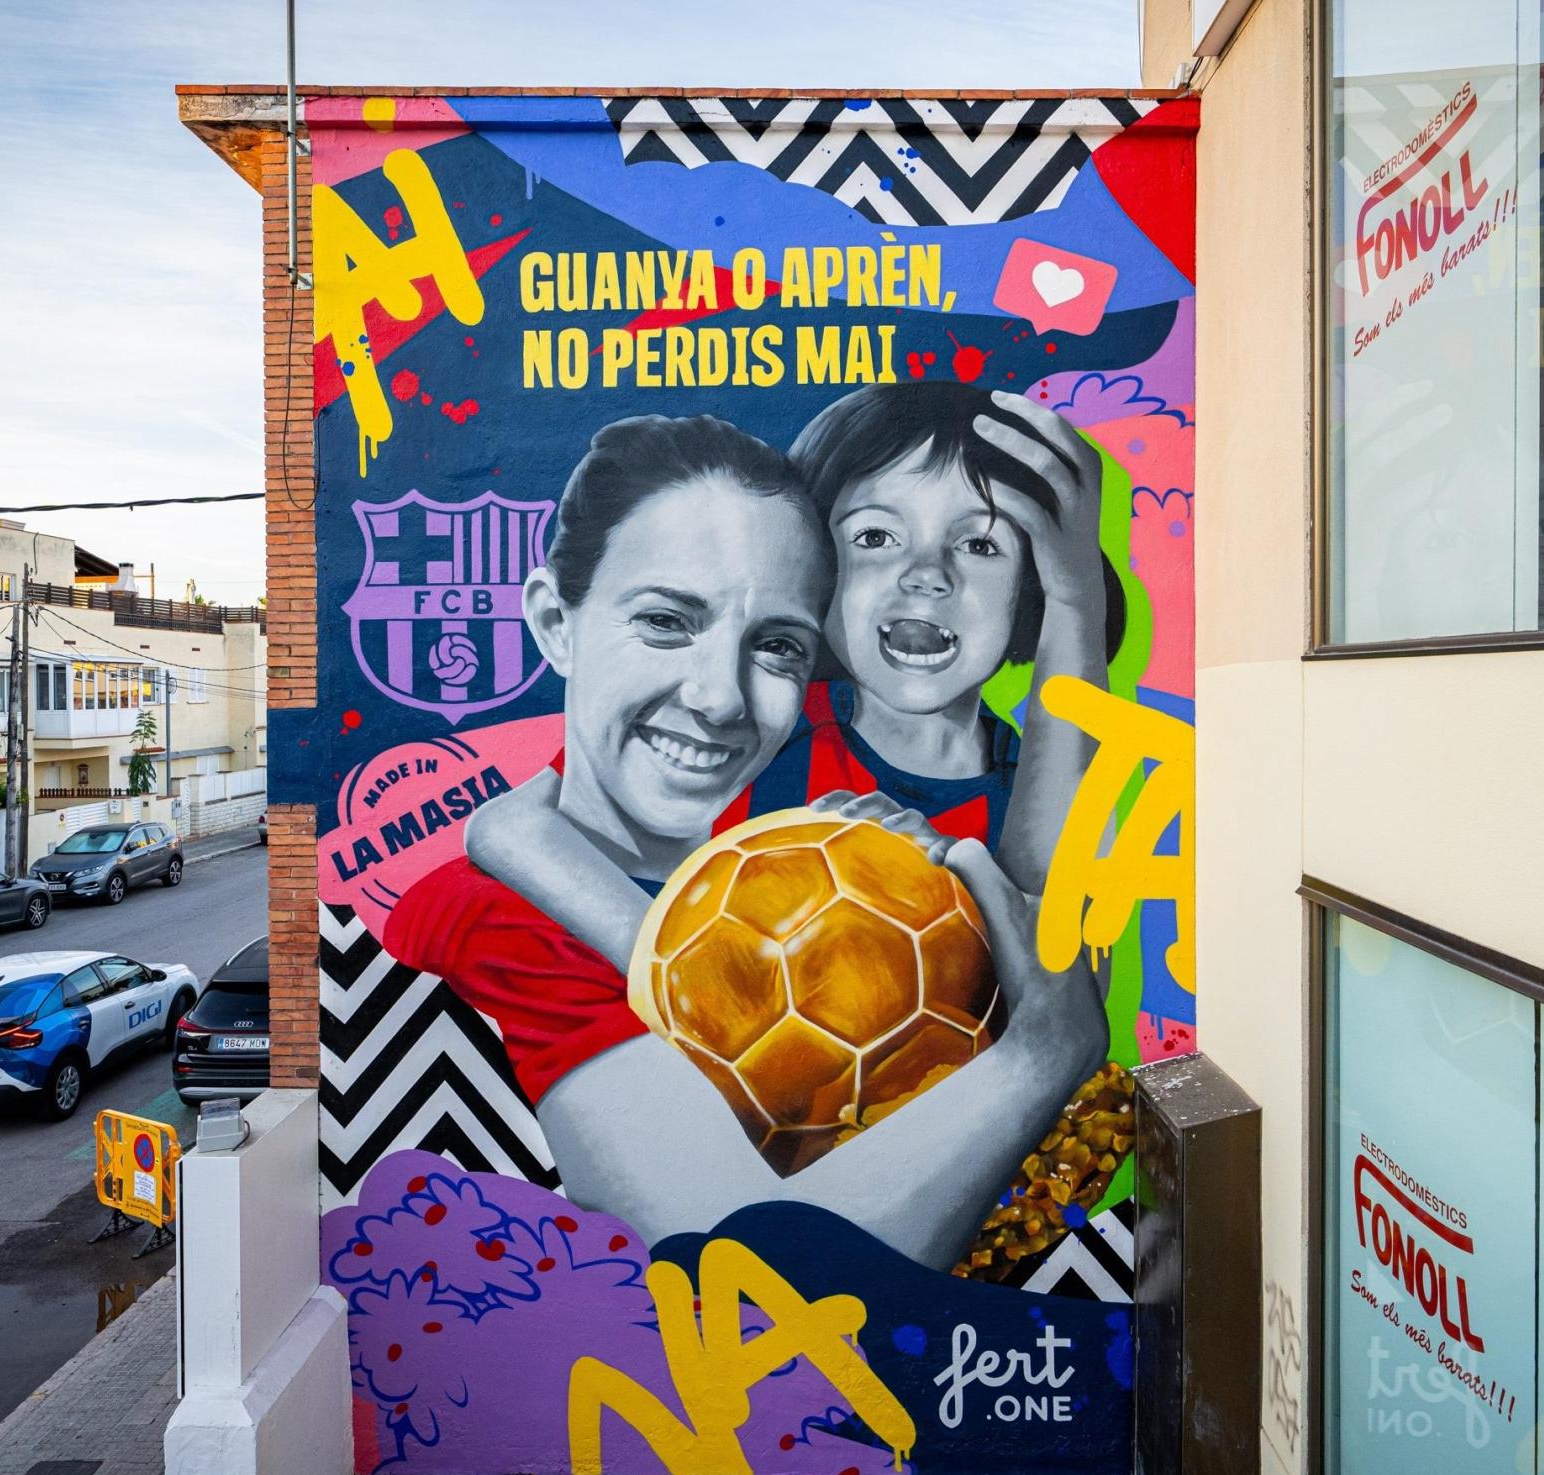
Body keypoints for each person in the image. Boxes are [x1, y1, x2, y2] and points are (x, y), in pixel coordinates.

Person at [384, 414, 1107, 1269]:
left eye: (775, 645)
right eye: (664, 621)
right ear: (554, 621)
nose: (721, 699)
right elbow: (761, 1280)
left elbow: (1032, 905)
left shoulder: (765, 855)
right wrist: (1044, 1055)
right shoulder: (499, 918)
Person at [473, 382, 1123, 971]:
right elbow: (512, 824)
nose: (928, 573)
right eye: (875, 536)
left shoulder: (1042, 779)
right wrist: (683, 975)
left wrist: (1075, 603)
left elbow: (1068, 974)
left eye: (980, 544)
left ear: (1030, 586)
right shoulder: (756, 717)